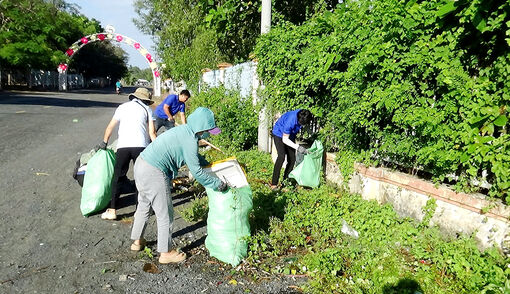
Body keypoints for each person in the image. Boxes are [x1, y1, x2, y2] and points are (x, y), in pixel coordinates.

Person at [130, 107, 228, 264]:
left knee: (144, 206)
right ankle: (165, 252)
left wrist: (208, 164)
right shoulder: (190, 140)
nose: (209, 134)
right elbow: (196, 172)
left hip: (142, 164)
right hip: (154, 171)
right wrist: (218, 184)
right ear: (201, 128)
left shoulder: (184, 131)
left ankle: (137, 241)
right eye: (208, 130)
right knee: (165, 214)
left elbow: (193, 158)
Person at [98, 87, 157, 220]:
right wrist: (158, 148)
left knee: (117, 177)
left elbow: (110, 127)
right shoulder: (147, 109)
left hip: (123, 146)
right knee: (140, 178)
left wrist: (104, 143)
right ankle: (139, 210)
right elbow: (152, 133)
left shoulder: (122, 107)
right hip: (141, 147)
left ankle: (112, 210)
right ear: (145, 100)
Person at [270, 109, 313, 189]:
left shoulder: (304, 114)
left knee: (292, 159)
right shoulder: (290, 121)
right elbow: (285, 140)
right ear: (298, 120)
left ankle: (285, 182)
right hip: (279, 134)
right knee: (281, 156)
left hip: (291, 135)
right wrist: (298, 147)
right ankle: (274, 184)